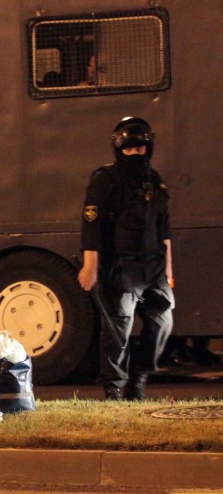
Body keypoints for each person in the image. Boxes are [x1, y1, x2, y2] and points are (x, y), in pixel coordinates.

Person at [77, 116, 174, 401]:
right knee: (118, 330)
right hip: (119, 267)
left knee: (162, 322)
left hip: (154, 266)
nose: (134, 154)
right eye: (128, 149)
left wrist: (168, 269)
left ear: (148, 148)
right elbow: (91, 225)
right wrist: (90, 265)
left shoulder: (154, 180)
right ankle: (114, 389)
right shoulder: (104, 180)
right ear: (118, 150)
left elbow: (164, 227)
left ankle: (140, 375)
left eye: (139, 149)